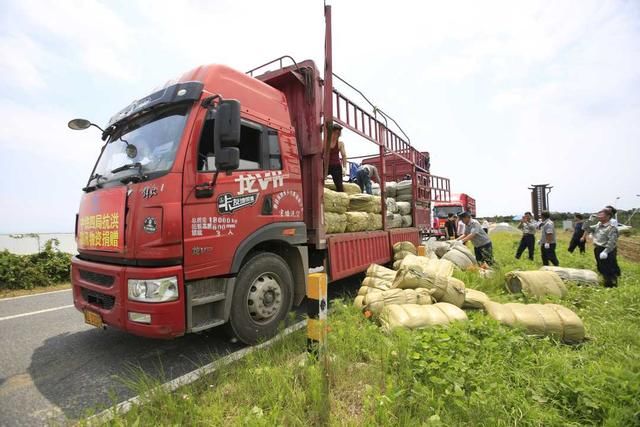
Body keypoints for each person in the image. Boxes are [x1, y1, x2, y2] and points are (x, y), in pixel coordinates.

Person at [583, 207, 620, 287]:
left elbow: (612, 241)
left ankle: (612, 284)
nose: (598, 216)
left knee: (609, 267)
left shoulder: (611, 228)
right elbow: (585, 228)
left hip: (607, 250)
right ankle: (606, 281)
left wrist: (606, 251)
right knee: (601, 266)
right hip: (598, 248)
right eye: (598, 214)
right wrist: (589, 221)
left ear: (608, 216)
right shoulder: (598, 225)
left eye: (601, 214)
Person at [327, 123, 347, 192]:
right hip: (326, 165)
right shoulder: (325, 142)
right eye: (335, 133)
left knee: (339, 186)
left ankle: (342, 199)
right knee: (319, 182)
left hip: (336, 166)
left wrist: (344, 167)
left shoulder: (340, 143)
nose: (337, 135)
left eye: (338, 134)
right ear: (331, 132)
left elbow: (344, 156)